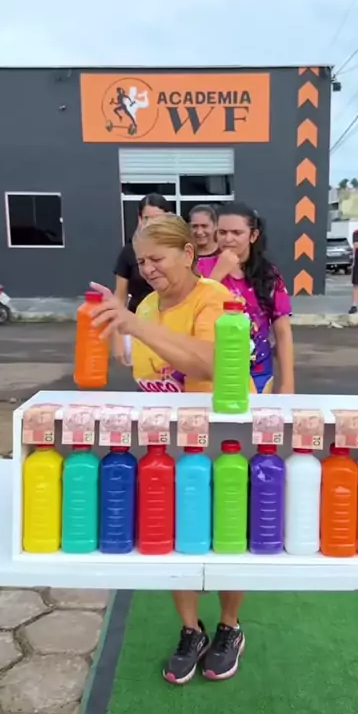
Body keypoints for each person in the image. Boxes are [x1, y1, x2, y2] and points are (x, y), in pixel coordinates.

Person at [90, 214, 246, 684]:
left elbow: (210, 363)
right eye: (141, 262)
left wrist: (137, 327)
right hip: (169, 444)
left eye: (156, 258)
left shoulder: (214, 298)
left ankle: (229, 626)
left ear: (188, 253)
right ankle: (190, 629)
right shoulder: (147, 306)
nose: (148, 269)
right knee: (177, 534)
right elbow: (148, 375)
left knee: (227, 534)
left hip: (222, 441)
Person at [197, 202, 294, 394]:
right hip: (211, 373)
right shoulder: (201, 268)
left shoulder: (269, 274)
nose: (228, 239)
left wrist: (287, 384)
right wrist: (217, 275)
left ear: (253, 236)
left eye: (236, 233)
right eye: (222, 232)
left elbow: (282, 331)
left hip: (258, 375)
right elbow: (192, 311)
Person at [113, 193, 174, 364]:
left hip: (173, 327)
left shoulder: (178, 249)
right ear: (140, 219)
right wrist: (118, 338)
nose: (152, 223)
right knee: (144, 374)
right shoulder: (129, 252)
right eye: (147, 218)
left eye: (157, 218)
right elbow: (119, 298)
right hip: (138, 326)